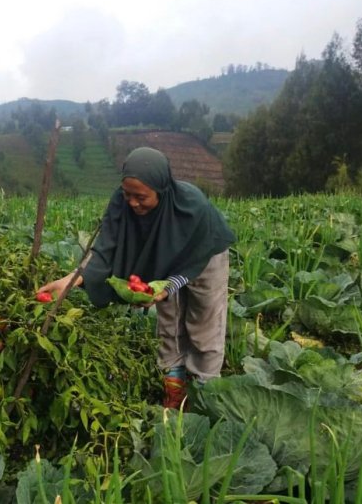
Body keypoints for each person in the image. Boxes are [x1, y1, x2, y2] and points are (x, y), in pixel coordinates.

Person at [37, 147, 235, 408]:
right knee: (170, 318)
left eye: (140, 197)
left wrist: (168, 287)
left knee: (204, 322)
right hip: (164, 259)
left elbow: (191, 263)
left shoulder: (191, 207)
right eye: (127, 194)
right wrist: (75, 278)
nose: (132, 202)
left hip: (205, 255)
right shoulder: (122, 202)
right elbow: (105, 246)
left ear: (161, 190)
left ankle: (206, 391)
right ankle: (174, 386)